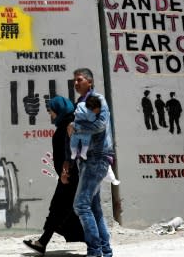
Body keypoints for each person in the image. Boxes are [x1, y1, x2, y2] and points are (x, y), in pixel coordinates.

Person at [23, 96, 85, 255]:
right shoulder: (70, 124)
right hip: (70, 176)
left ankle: (42, 242)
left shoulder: (67, 127)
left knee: (59, 209)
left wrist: (66, 173)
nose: (51, 115)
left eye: (51, 112)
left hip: (70, 176)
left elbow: (70, 153)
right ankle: (42, 242)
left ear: (59, 111)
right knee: (65, 211)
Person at [63, 68, 114, 257]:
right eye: (74, 81)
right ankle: (105, 251)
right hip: (87, 159)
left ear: (89, 82)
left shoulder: (95, 99)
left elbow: (100, 125)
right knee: (94, 208)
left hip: (96, 157)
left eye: (79, 80)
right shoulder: (82, 102)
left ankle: (94, 252)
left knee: (81, 205)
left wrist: (76, 126)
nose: (76, 83)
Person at [70, 95, 102, 160]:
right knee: (85, 143)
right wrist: (95, 117)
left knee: (73, 142)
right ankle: (83, 154)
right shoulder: (91, 114)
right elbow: (92, 120)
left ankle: (73, 153)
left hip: (76, 129)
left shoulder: (80, 105)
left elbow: (75, 111)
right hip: (85, 132)